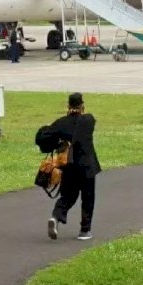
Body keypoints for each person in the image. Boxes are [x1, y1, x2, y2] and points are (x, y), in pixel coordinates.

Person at [41, 93, 102, 241]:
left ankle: (56, 217)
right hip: (87, 166)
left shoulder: (61, 123)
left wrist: (56, 144)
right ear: (82, 106)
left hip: (68, 165)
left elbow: (42, 136)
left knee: (68, 195)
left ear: (68, 106)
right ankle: (84, 231)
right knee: (88, 198)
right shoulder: (89, 120)